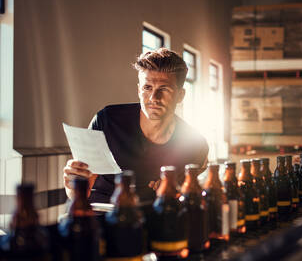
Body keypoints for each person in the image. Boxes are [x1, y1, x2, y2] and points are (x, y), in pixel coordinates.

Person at [63, 48, 209, 203]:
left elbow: (190, 200)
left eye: (164, 89)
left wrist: (175, 192)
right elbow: (78, 194)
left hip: (154, 221)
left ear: (180, 95)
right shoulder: (107, 121)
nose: (154, 98)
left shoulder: (195, 145)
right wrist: (72, 185)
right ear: (139, 90)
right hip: (101, 215)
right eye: (147, 88)